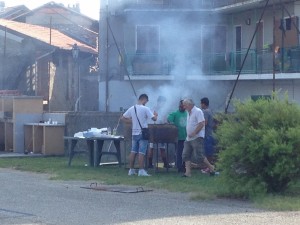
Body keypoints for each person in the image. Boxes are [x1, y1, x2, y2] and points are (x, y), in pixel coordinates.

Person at [121, 94, 158, 176]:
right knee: (142, 152)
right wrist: (156, 115)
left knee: (133, 151)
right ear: (144, 99)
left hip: (134, 133)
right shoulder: (146, 109)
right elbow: (154, 119)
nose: (147, 103)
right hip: (143, 133)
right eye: (147, 101)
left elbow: (123, 118)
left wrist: (132, 121)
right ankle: (141, 170)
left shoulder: (132, 108)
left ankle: (131, 170)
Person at [181, 98, 216, 177]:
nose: (184, 107)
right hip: (188, 138)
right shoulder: (188, 112)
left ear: (190, 105)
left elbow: (202, 123)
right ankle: (188, 173)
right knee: (185, 155)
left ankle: (211, 167)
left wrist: (194, 133)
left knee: (200, 156)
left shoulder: (198, 111)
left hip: (197, 137)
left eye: (185, 105)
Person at [147, 96, 171, 169]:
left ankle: (165, 163)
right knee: (151, 147)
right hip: (153, 130)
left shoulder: (163, 110)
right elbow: (151, 119)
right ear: (159, 102)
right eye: (163, 102)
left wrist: (167, 122)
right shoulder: (153, 109)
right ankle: (150, 164)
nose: (163, 104)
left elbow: (165, 119)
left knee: (162, 147)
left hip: (161, 130)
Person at [167, 100, 187, 173]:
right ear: (179, 106)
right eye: (181, 106)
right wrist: (172, 125)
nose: (182, 107)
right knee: (179, 152)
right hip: (178, 137)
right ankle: (179, 167)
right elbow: (169, 119)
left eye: (183, 106)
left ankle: (185, 166)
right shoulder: (175, 113)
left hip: (187, 136)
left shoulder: (188, 113)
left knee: (186, 152)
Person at [200, 97, 216, 173]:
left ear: (203, 104)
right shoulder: (210, 111)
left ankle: (209, 167)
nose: (200, 105)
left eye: (201, 103)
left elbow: (205, 123)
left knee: (208, 152)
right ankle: (208, 167)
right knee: (209, 152)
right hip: (210, 134)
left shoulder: (205, 112)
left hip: (207, 135)